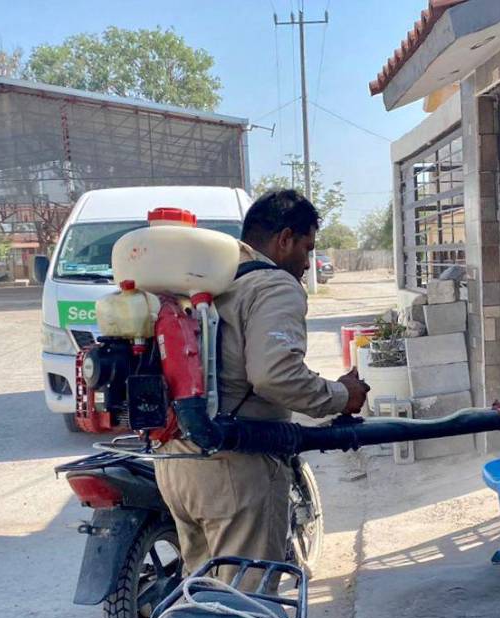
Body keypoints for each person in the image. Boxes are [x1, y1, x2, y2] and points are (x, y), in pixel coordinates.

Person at [156, 189, 370, 586]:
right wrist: (342, 395)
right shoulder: (273, 285)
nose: (307, 263)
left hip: (176, 463)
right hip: (235, 468)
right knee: (246, 603)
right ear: (284, 239)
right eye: (306, 248)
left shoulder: (204, 279)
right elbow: (275, 375)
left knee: (201, 592)